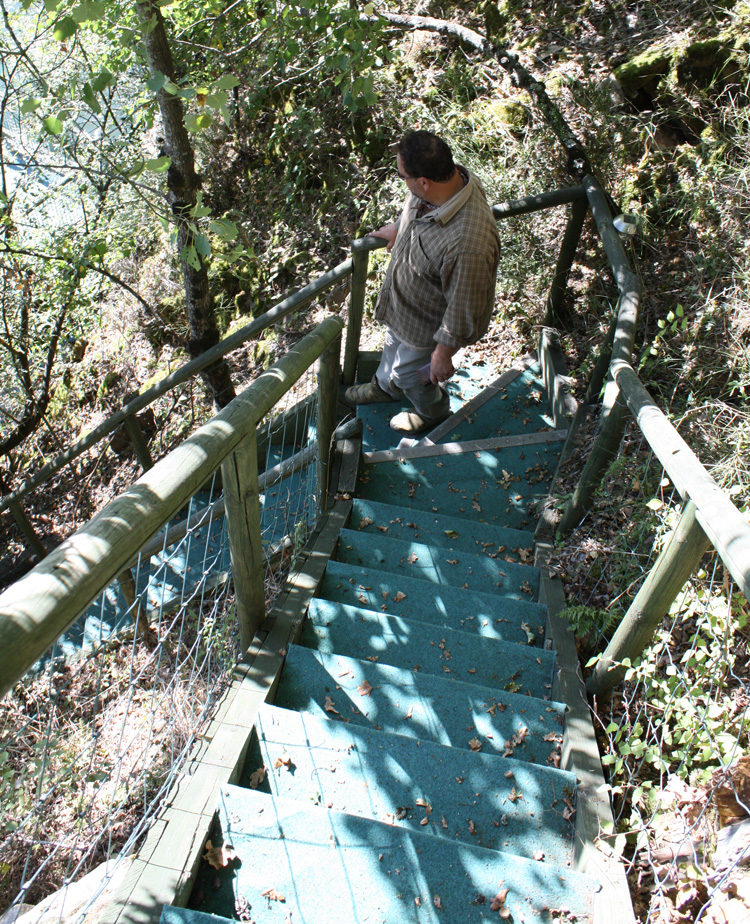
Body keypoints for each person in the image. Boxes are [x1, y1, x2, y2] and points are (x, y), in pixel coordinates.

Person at [345, 130, 501, 435]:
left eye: (404, 177)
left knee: (411, 376)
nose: (403, 181)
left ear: (424, 182)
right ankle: (384, 388)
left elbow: (465, 307)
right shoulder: (442, 186)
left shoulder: (469, 243)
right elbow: (420, 213)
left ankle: (433, 413)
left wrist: (441, 356)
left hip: (426, 328)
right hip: (403, 311)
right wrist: (400, 227)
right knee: (391, 350)